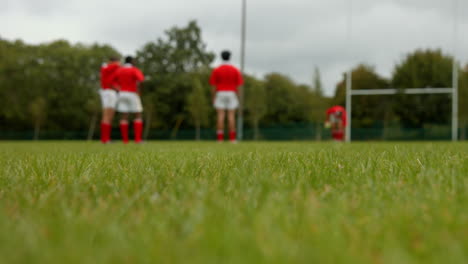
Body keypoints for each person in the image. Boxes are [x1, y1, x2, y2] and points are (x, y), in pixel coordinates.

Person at [209, 50, 244, 142]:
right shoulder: (235, 70)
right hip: (232, 93)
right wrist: (239, 97)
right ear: (230, 57)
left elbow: (213, 86)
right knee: (231, 116)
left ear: (221, 57)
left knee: (220, 116)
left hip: (220, 93)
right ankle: (232, 139)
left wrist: (213, 97)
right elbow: (239, 86)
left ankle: (220, 139)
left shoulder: (217, 70)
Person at [112, 56, 145, 144]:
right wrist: (139, 91)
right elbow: (141, 80)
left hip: (121, 94)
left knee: (124, 116)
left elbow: (112, 81)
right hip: (132, 93)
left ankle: (125, 140)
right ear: (132, 61)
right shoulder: (134, 70)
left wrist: (117, 88)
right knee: (138, 115)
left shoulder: (119, 70)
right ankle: (137, 140)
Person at [99, 56, 120, 144]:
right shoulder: (110, 67)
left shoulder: (106, 69)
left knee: (107, 116)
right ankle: (105, 139)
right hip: (109, 92)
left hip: (106, 92)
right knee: (107, 115)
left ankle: (106, 139)